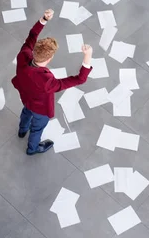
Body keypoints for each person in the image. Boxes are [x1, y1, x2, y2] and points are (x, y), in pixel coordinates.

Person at [11, 9, 93, 155]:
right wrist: (88, 57)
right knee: (37, 128)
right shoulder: (47, 81)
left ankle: (22, 130)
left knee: (26, 113)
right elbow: (80, 79)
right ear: (49, 59)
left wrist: (44, 19)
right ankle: (32, 148)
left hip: (26, 98)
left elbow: (32, 36)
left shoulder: (23, 55)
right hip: (40, 109)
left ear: (34, 51)